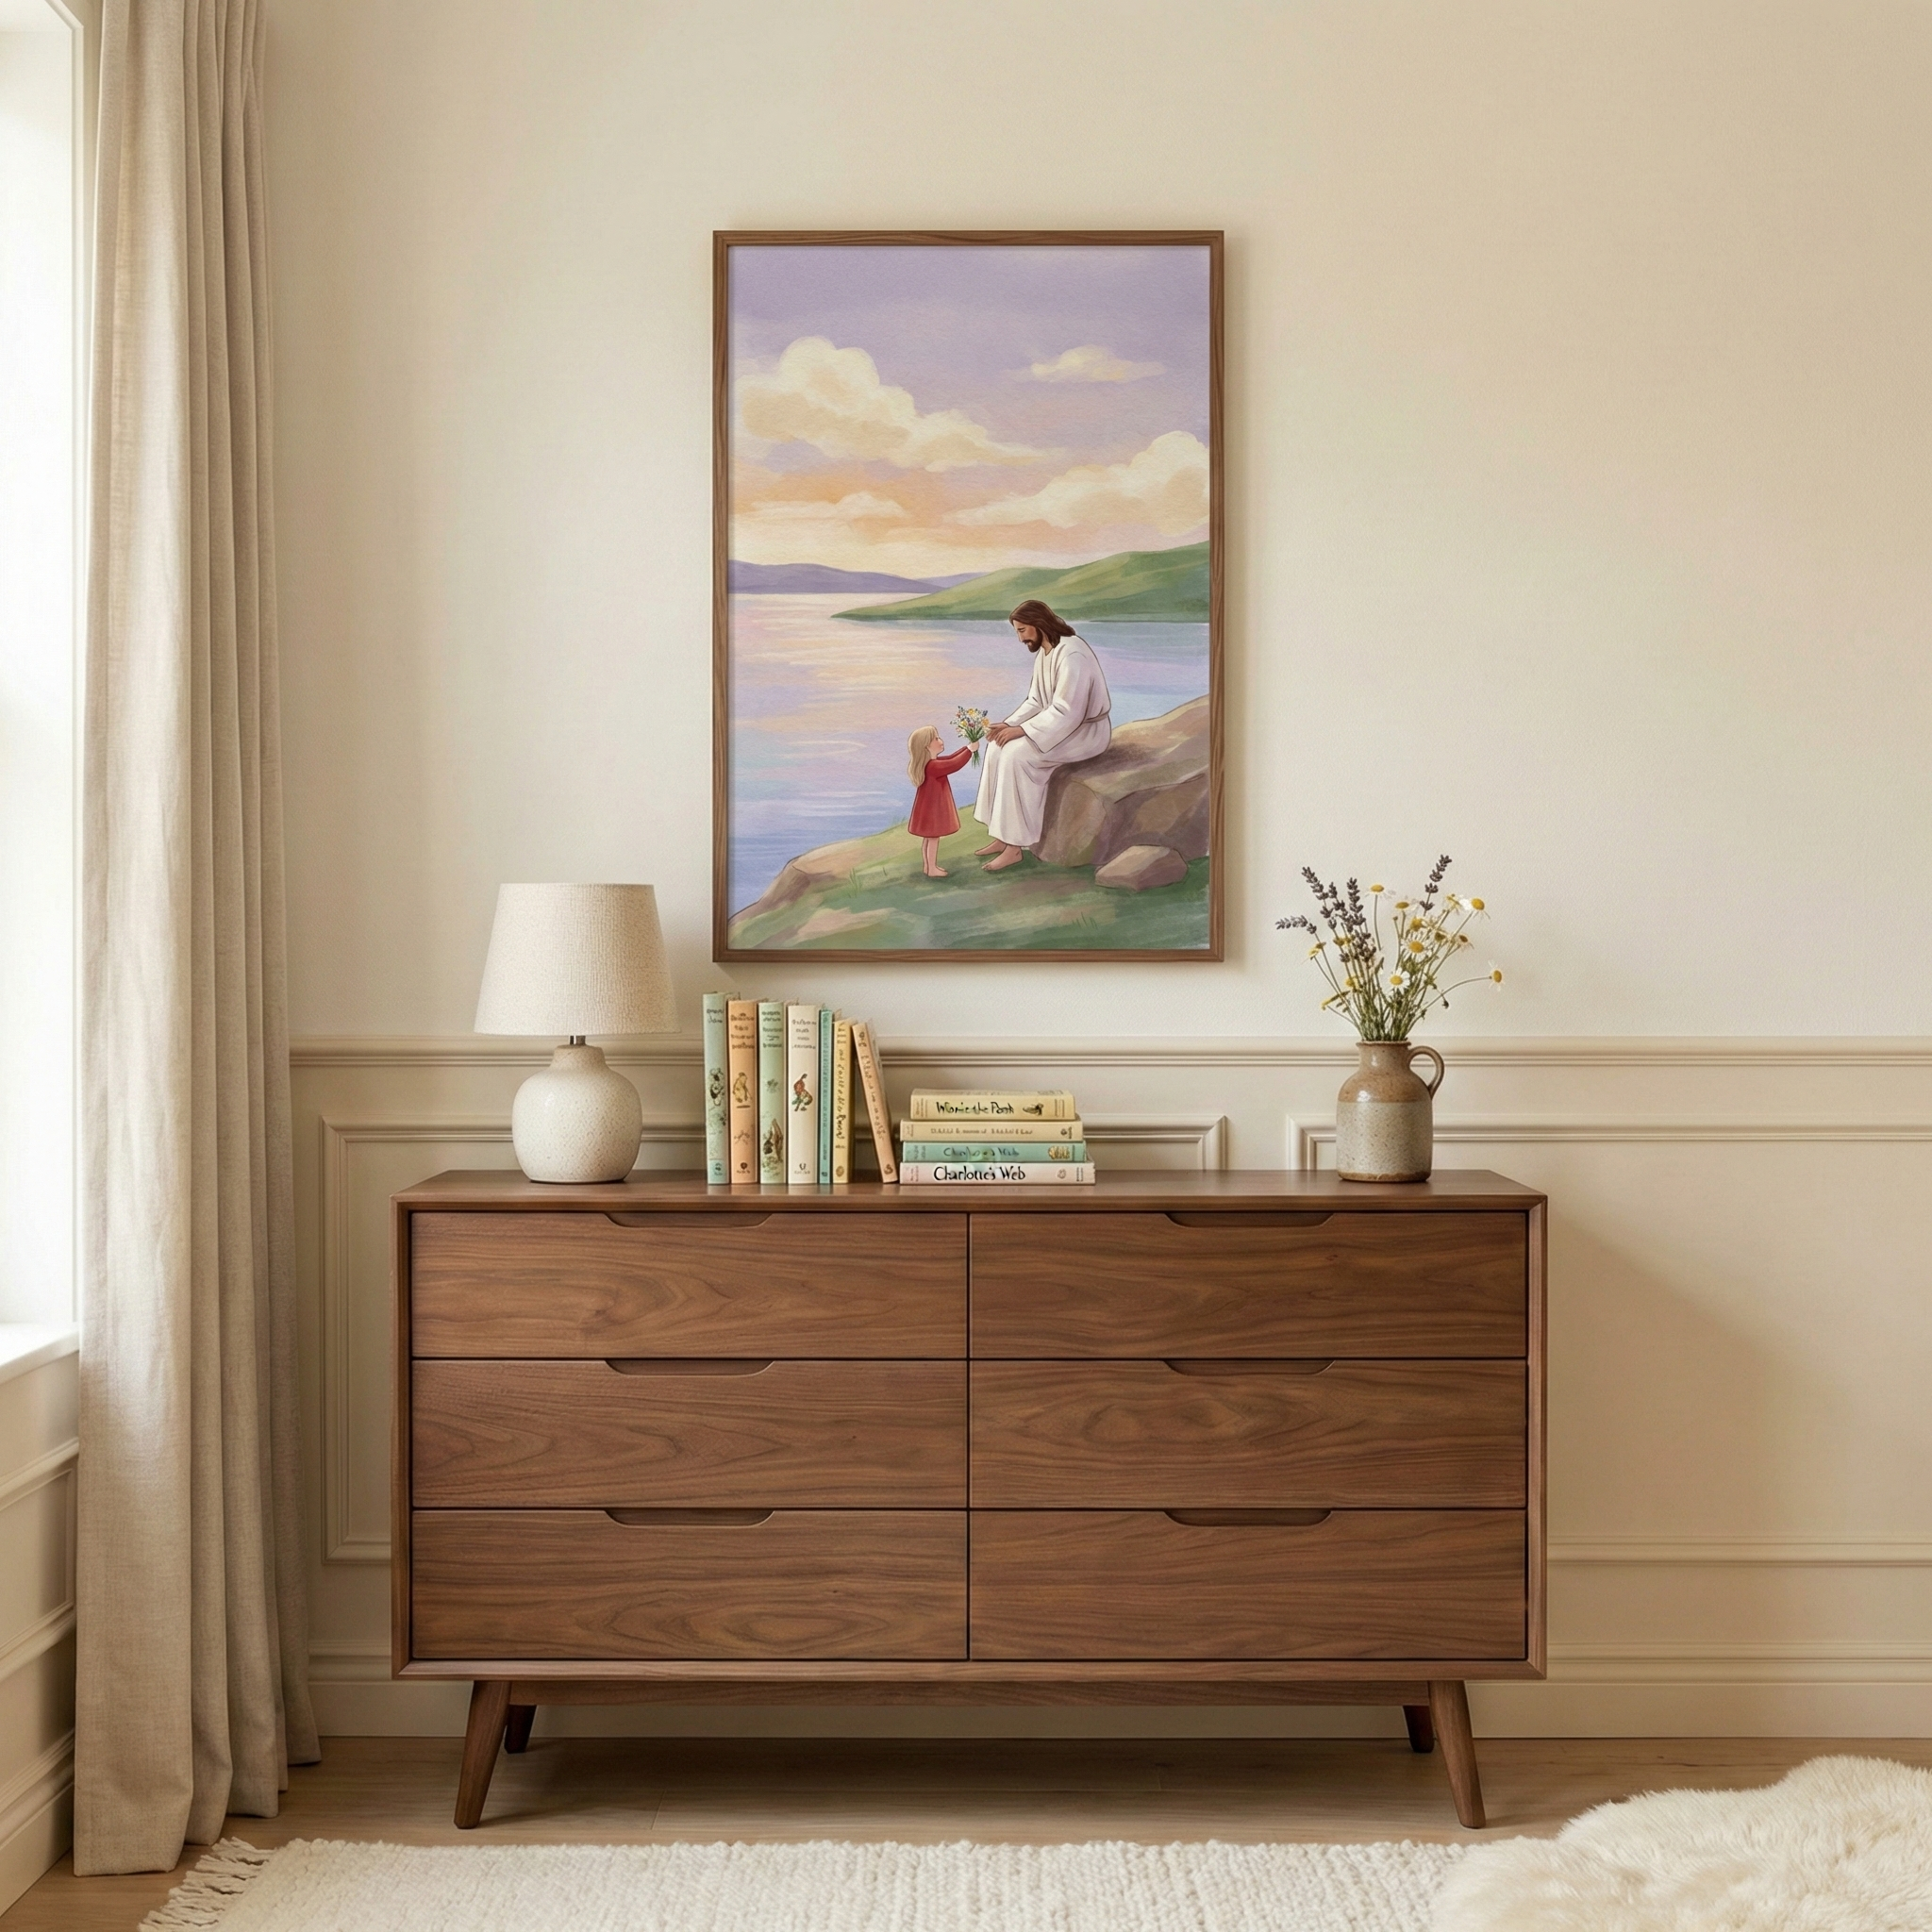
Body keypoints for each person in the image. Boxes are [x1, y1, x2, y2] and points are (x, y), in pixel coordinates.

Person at [973, 600, 1111, 871]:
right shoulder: (1046, 652)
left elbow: (1068, 711)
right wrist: (1008, 725)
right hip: (1059, 728)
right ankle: (1001, 837)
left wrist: (1022, 731)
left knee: (1017, 755)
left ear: (1039, 625)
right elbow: (1036, 700)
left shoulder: (1073, 654)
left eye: (1022, 630)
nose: (1020, 637)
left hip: (1086, 732)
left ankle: (1015, 848)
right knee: (997, 747)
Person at [906, 724, 974, 877]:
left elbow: (950, 758)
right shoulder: (933, 766)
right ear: (926, 746)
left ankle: (928, 866)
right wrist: (969, 751)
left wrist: (967, 748)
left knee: (929, 838)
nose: (940, 740)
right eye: (936, 738)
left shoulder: (930, 764)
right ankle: (931, 869)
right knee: (933, 838)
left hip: (928, 809)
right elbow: (953, 764)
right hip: (933, 809)